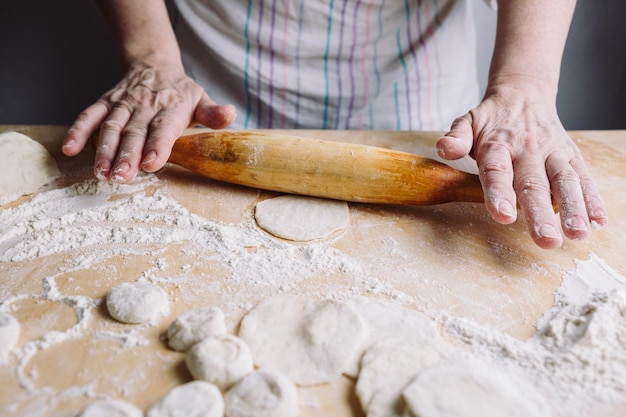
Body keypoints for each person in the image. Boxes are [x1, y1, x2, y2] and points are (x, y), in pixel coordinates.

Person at [61, 0, 607, 250]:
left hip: (427, 129)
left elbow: (525, 78)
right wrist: (151, 56)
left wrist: (523, 83)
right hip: (205, 115)